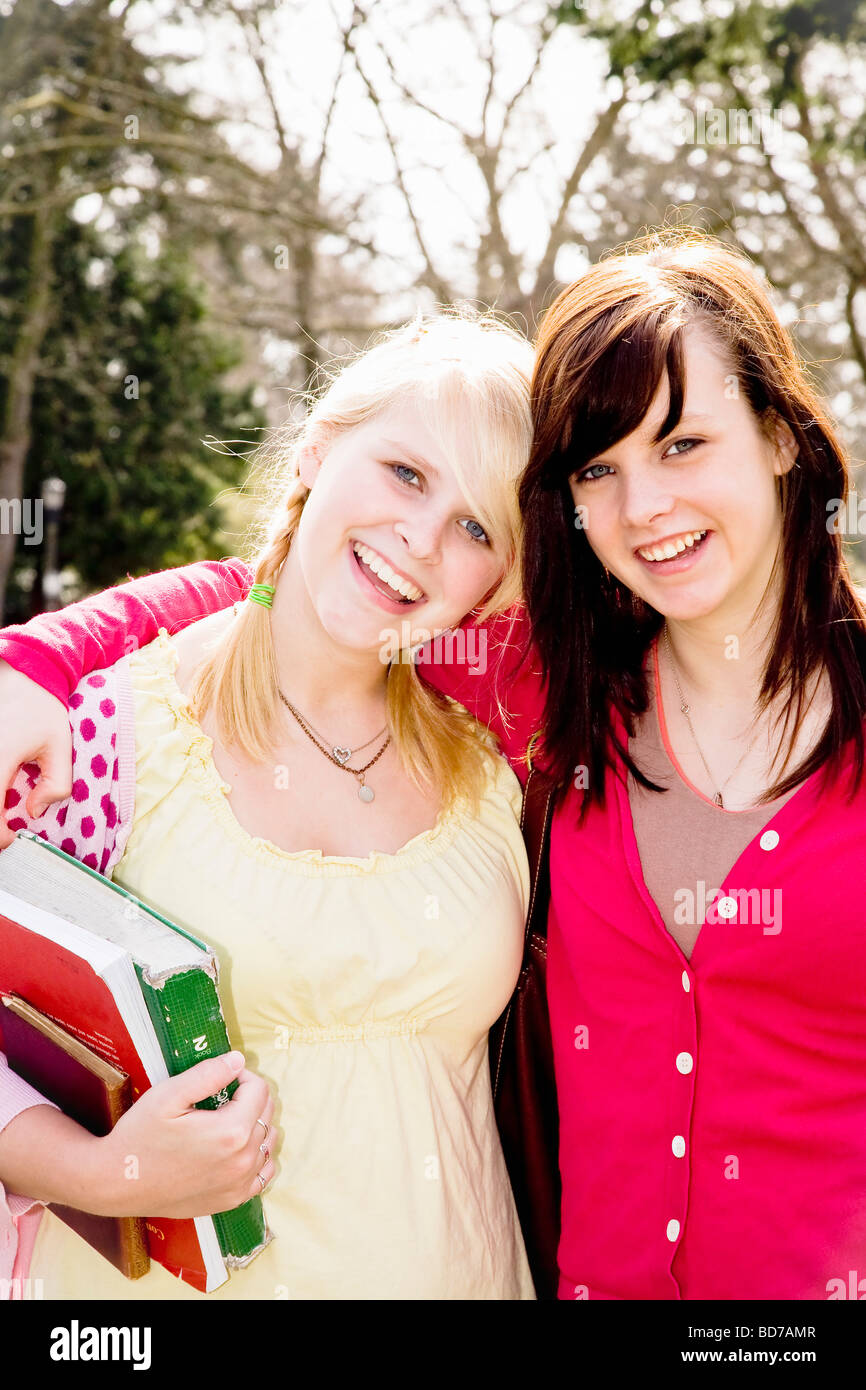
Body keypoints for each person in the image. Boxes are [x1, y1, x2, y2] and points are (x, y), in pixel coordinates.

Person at [3, 230, 865, 1302]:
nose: (643, 507)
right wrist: (38, 657)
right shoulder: (528, 705)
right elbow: (285, 598)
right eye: (599, 469)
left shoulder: (509, 721)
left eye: (683, 443)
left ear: (782, 436)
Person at [0, 309, 539, 1300]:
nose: (418, 539)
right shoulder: (94, 735)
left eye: (474, 527)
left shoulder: (493, 772)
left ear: (494, 586)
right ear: (314, 452)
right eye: (405, 474)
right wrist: (102, 1171)